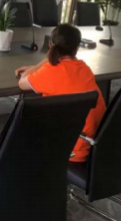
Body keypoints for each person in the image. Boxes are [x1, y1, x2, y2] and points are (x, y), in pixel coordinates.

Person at [16, 24, 106, 162]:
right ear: (77, 47)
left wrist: (45, 62)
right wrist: (40, 67)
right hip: (93, 145)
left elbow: (22, 82)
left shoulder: (51, 70)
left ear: (51, 45)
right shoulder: (85, 69)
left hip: (67, 149)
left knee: (23, 125)